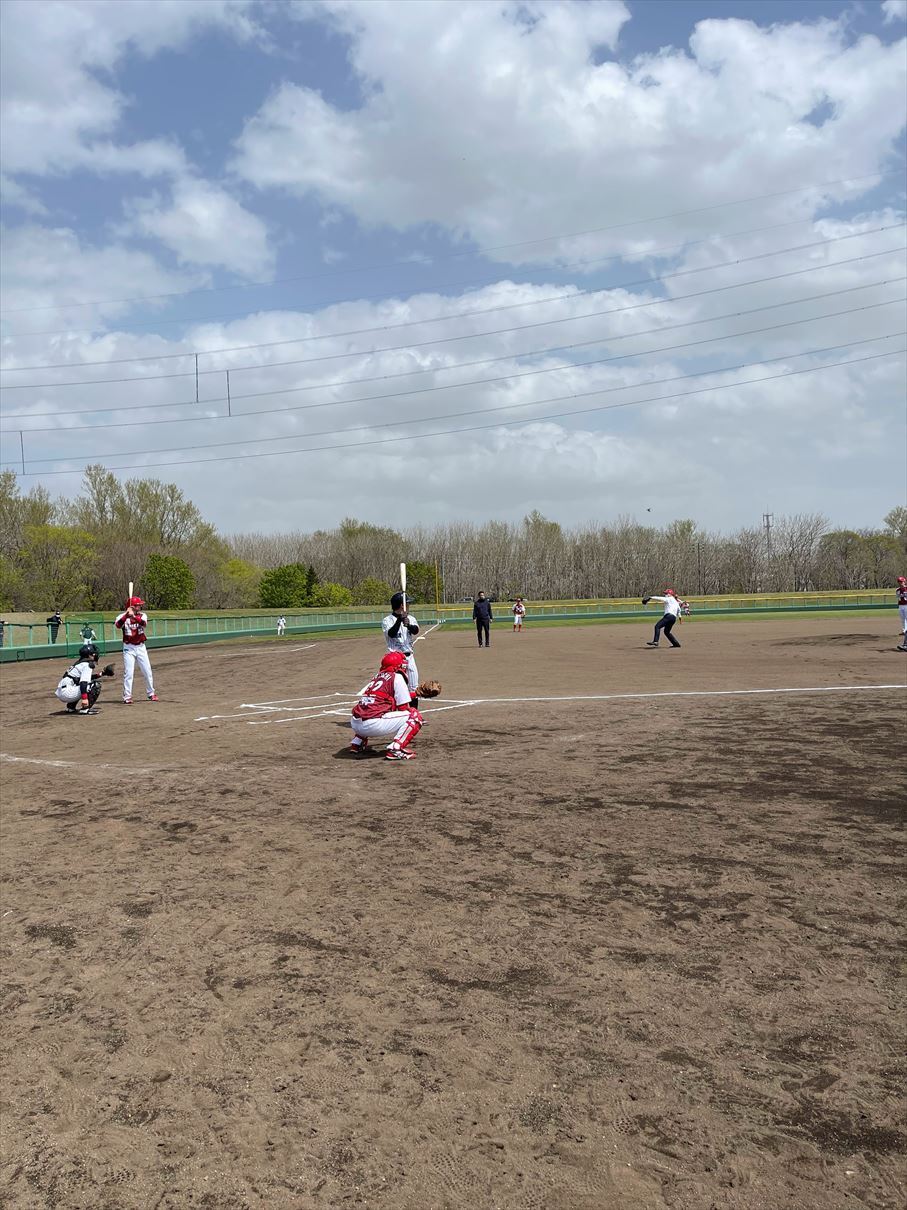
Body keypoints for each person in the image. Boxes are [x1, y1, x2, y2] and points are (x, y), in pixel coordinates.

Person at [349, 652, 423, 761]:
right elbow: (403, 708)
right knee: (414, 716)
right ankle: (396, 750)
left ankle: (357, 743)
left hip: (355, 724)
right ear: (398, 666)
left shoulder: (377, 677)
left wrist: (416, 694)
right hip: (372, 725)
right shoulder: (397, 677)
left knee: (371, 708)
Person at [114, 595, 158, 703]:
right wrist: (126, 615)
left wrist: (133, 616)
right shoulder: (121, 616)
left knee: (147, 671)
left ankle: (151, 693)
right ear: (133, 606)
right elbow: (118, 625)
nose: (140, 607)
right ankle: (127, 696)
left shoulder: (143, 615)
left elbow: (144, 623)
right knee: (129, 673)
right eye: (138, 605)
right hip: (129, 648)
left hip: (141, 647)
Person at [382, 591, 420, 706]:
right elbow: (391, 634)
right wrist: (400, 620)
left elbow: (416, 631)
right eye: (407, 603)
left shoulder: (411, 618)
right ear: (402, 605)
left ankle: (413, 713)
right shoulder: (387, 620)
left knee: (413, 688)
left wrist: (409, 625)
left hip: (409, 657)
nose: (409, 605)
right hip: (395, 660)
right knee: (396, 688)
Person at [54, 644, 106, 714]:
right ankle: (85, 708)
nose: (95, 655)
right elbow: (83, 682)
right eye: (93, 653)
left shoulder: (79, 663)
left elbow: (82, 678)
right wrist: (84, 699)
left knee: (81, 684)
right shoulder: (87, 665)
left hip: (63, 691)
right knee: (95, 685)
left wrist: (101, 674)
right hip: (68, 693)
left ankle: (71, 707)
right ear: (89, 655)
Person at [897, 576, 907, 651]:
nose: (900, 583)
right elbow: (899, 598)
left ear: (904, 581)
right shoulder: (897, 590)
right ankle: (904, 630)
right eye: (899, 582)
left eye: (901, 581)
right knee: (903, 619)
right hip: (901, 606)